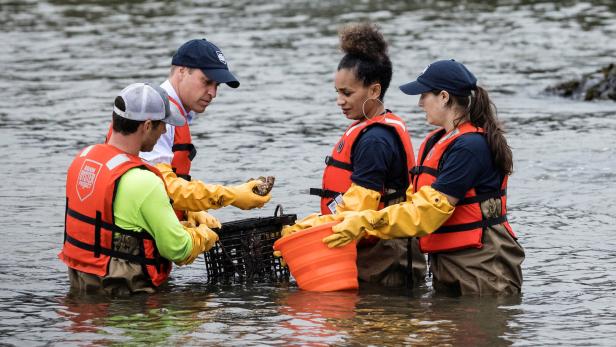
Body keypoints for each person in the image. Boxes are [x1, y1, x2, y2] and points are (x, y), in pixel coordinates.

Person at [323, 60, 525, 296]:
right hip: (449, 262)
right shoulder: (435, 140)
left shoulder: (470, 147)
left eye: (424, 95)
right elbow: (413, 202)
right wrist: (324, 224)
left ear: (443, 97)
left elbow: (428, 212)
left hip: (483, 264)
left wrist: (366, 222)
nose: (419, 103)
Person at [280, 23, 425, 287]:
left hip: (385, 257)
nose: (340, 100)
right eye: (337, 92)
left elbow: (361, 206)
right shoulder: (369, 128)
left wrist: (312, 229)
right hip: (370, 247)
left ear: (374, 91)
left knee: (378, 323)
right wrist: (314, 223)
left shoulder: (375, 139)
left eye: (347, 93)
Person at [60, 83, 219, 295]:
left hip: (82, 289)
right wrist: (203, 235)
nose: (164, 130)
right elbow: (178, 249)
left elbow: (118, 226)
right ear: (146, 126)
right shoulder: (144, 181)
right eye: (162, 124)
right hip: (130, 303)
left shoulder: (82, 160)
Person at [107, 39, 272, 224]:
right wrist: (231, 195)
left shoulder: (175, 111)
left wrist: (189, 211)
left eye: (217, 85)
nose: (213, 93)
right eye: (207, 81)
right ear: (182, 71)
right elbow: (159, 186)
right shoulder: (158, 117)